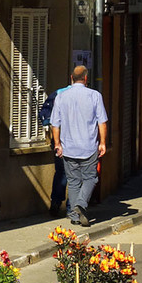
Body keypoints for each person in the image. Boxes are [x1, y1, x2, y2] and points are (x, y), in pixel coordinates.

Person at [49, 64, 109, 226]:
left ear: (71, 78)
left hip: (68, 147)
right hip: (89, 146)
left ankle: (74, 216)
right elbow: (102, 122)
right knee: (91, 178)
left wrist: (57, 144)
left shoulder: (61, 97)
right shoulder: (95, 96)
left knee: (73, 181)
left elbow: (55, 123)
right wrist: (102, 142)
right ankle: (81, 205)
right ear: (86, 79)